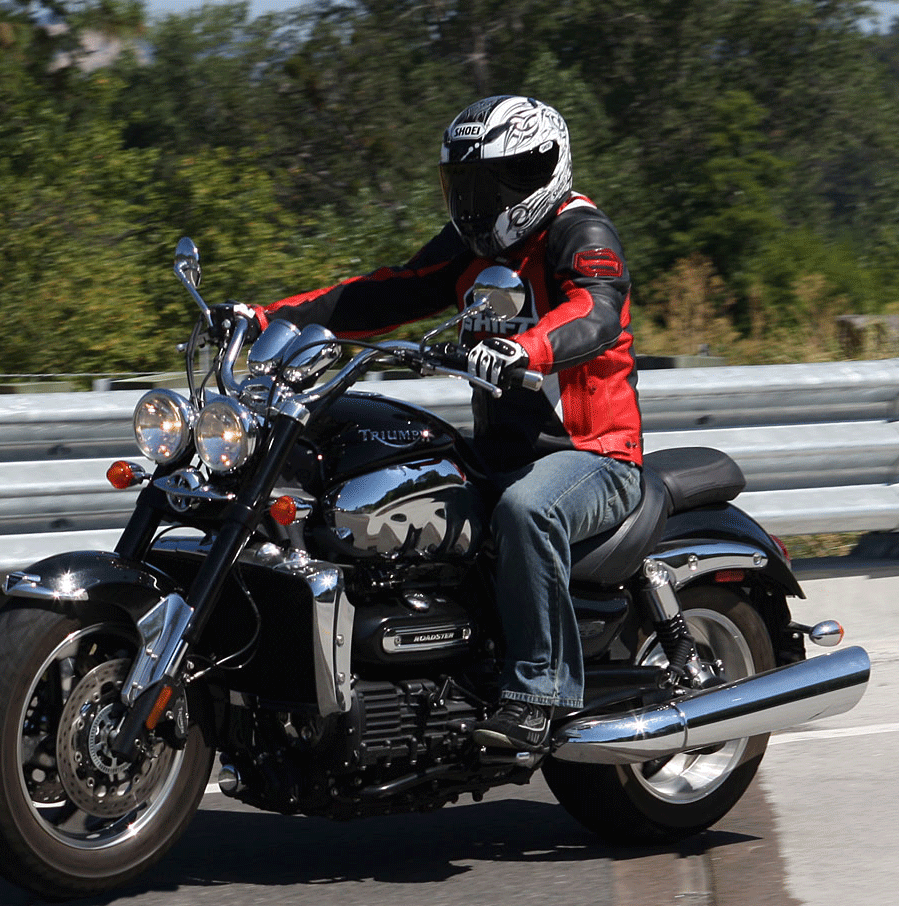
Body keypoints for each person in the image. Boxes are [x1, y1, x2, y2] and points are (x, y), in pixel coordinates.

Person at [249, 95, 645, 753]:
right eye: (464, 183)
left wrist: (527, 349)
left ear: (539, 169)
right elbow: (382, 292)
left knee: (527, 512)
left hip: (595, 454)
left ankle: (537, 697)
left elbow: (593, 312)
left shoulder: (581, 233)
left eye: (491, 182)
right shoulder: (470, 244)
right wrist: (268, 319)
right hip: (503, 449)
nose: (476, 199)